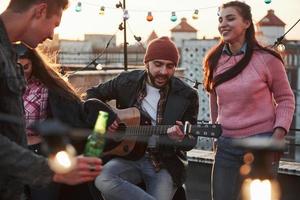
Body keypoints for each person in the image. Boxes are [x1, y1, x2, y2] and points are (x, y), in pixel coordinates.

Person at [0, 1, 102, 200]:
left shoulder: (8, 52)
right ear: (40, 10)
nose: (51, 35)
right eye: (55, 24)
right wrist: (53, 171)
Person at [86, 36, 199, 200]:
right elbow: (91, 96)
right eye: (158, 64)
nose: (163, 71)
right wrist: (108, 117)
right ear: (147, 63)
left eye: (170, 66)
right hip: (128, 157)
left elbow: (191, 140)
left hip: (163, 163)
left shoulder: (187, 95)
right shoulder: (126, 81)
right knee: (103, 179)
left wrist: (180, 139)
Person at [202, 1, 295, 200]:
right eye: (220, 19)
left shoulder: (267, 59)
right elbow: (214, 99)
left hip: (261, 143)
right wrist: (215, 136)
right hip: (226, 145)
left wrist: (277, 137)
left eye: (230, 18)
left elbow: (286, 99)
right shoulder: (213, 60)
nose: (223, 24)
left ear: (246, 23)